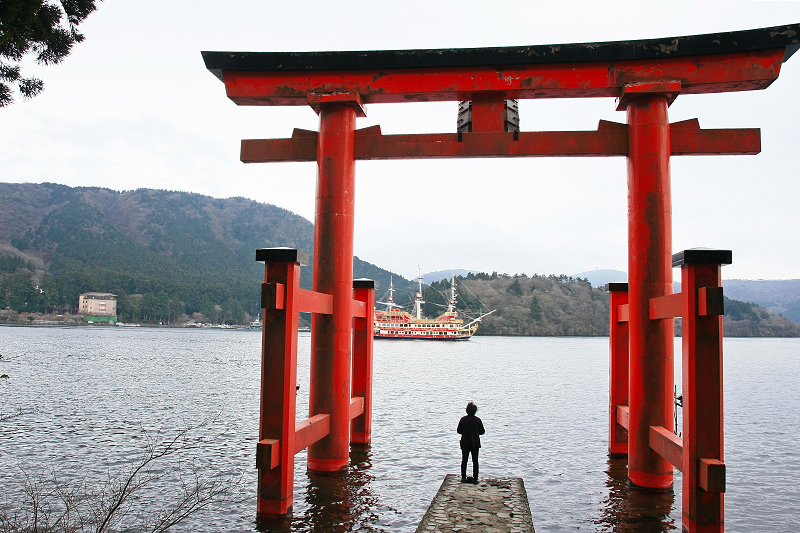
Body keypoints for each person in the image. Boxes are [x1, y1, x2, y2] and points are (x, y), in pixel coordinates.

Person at [457, 401, 485, 484]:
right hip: (475, 443)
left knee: (464, 460)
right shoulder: (478, 420)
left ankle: (463, 478)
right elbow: (482, 431)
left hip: (465, 442)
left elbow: (459, 431)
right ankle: (475, 478)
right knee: (475, 461)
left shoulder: (463, 419)